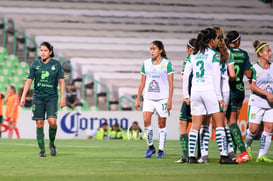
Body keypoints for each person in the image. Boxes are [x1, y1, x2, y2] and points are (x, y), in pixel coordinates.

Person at [183, 28, 236, 164]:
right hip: (209, 91)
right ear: (212, 40)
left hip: (195, 91)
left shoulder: (193, 54)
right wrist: (219, 97)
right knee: (219, 124)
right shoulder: (214, 55)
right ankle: (224, 156)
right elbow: (216, 77)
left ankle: (191, 157)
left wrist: (186, 94)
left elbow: (186, 74)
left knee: (195, 126)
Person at [20, 41, 65, 157]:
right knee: (39, 122)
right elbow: (29, 81)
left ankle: (51, 144)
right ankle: (42, 150)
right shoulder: (35, 64)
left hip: (52, 97)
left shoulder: (56, 65)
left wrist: (63, 97)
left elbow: (62, 81)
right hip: (38, 97)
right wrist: (23, 96)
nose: (43, 53)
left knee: (52, 122)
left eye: (45, 50)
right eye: (41, 50)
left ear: (50, 52)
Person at [135, 40, 173, 159]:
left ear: (160, 50)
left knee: (161, 123)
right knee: (146, 121)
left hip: (162, 98)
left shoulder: (167, 64)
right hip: (149, 98)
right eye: (151, 49)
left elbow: (171, 83)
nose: (152, 51)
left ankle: (161, 149)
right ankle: (151, 147)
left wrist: (170, 100)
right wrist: (138, 99)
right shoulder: (146, 64)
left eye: (154, 49)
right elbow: (142, 82)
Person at [225, 31, 252, 163]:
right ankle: (233, 155)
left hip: (228, 90)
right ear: (238, 41)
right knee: (233, 123)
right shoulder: (244, 54)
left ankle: (243, 152)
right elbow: (249, 74)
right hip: (240, 90)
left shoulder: (225, 52)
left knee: (231, 122)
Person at [245, 40, 273, 163]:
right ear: (260, 53)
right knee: (253, 129)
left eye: (270, 51)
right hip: (256, 102)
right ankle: (247, 146)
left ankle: (261, 155)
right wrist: (267, 94)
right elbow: (252, 86)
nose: (270, 53)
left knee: (269, 127)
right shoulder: (254, 68)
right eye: (268, 51)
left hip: (270, 104)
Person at [175, 38, 196, 163]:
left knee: (185, 125)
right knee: (194, 125)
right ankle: (192, 155)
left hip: (191, 96)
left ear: (189, 49)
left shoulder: (189, 60)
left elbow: (184, 78)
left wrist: (186, 95)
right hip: (198, 96)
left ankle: (188, 155)